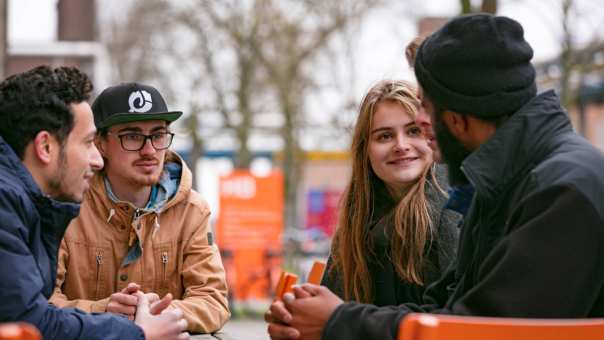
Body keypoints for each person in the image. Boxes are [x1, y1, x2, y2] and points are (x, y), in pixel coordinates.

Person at [266, 13, 604, 340]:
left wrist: (338, 322)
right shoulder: (503, 187)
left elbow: (482, 332)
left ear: (456, 120)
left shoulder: (562, 191)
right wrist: (320, 318)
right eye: (384, 135)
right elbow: (446, 309)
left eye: (426, 108)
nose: (423, 127)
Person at [0, 65, 189, 340]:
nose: (97, 160)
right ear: (45, 147)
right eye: (88, 142)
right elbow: (32, 323)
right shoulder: (6, 203)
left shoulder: (19, 200)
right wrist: (138, 332)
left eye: (158, 135)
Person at [49, 83, 230, 333]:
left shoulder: (193, 210)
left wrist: (153, 316)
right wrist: (102, 312)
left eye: (158, 135)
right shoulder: (66, 207)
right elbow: (41, 303)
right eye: (132, 136)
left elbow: (212, 301)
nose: (149, 150)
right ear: (100, 144)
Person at [319, 80, 460, 307]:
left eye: (414, 131)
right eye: (384, 136)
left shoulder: (455, 211)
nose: (401, 145)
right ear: (365, 150)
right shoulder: (357, 224)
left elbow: (456, 318)